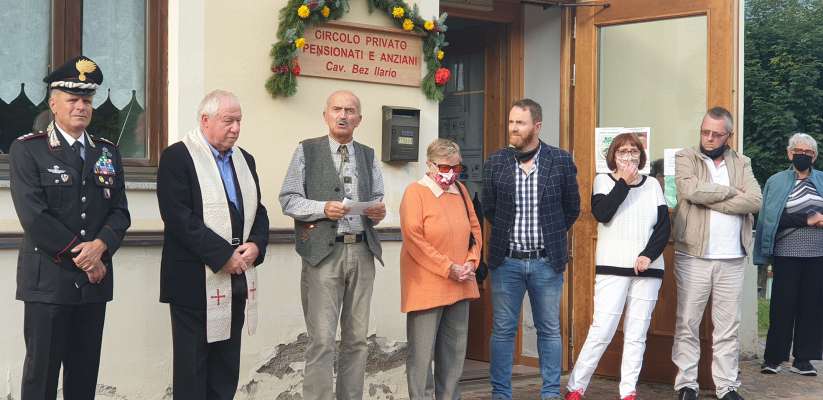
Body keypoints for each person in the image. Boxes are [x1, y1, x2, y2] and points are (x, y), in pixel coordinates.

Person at [9, 55, 131, 400]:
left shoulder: (106, 152)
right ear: (53, 103)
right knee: (41, 376)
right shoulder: (28, 150)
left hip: (92, 285)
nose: (81, 107)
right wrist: (85, 257)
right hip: (48, 282)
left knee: (83, 376)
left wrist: (100, 247)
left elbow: (120, 213)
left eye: (87, 100)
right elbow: (34, 216)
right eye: (72, 100)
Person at [157, 90, 270, 399]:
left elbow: (258, 210)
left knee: (225, 369)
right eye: (228, 121)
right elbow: (178, 217)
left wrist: (257, 246)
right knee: (192, 369)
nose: (235, 128)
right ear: (205, 120)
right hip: (193, 282)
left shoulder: (245, 159)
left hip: (236, 279)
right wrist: (223, 256)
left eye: (239, 121)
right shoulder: (177, 157)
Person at [279, 90, 386, 400]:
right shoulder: (306, 150)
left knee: (357, 340)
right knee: (322, 340)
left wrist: (378, 211)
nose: (343, 115)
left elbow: (377, 197)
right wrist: (322, 208)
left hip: (363, 251)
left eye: (350, 110)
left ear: (359, 119)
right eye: (337, 109)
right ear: (325, 115)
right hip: (323, 255)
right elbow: (288, 199)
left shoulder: (367, 154)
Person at [482, 98, 580, 400]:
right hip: (506, 261)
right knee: (503, 331)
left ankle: (550, 393)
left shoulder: (560, 160)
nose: (513, 128)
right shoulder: (495, 162)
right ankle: (501, 394)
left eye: (520, 123)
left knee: (549, 330)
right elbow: (489, 208)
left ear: (536, 126)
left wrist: (549, 235)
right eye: (511, 122)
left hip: (545, 262)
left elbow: (571, 208)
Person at [564, 133, 670, 400]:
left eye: (633, 151)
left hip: (648, 269)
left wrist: (648, 254)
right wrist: (623, 181)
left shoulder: (653, 186)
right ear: (613, 155)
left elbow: (663, 226)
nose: (628, 156)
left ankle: (628, 391)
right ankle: (576, 386)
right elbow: (603, 213)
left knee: (637, 333)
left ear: (641, 155)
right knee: (603, 329)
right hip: (612, 267)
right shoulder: (603, 180)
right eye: (622, 151)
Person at [671, 107, 761, 400]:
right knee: (688, 322)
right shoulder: (686, 157)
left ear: (728, 136)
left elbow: (755, 200)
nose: (708, 138)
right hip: (694, 256)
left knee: (727, 327)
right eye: (705, 132)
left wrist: (711, 197)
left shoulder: (742, 162)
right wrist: (731, 192)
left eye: (716, 134)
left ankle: (726, 387)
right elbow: (689, 191)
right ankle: (686, 384)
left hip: (732, 257)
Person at [400, 138, 482, 400]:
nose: (451, 173)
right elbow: (414, 239)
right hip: (427, 286)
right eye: (445, 167)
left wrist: (471, 261)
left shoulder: (460, 190)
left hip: (461, 283)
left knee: (454, 354)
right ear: (430, 165)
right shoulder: (415, 192)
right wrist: (448, 268)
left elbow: (475, 229)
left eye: (456, 168)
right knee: (422, 357)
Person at [754, 133, 823, 376]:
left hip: (817, 255)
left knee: (812, 307)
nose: (802, 155)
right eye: (798, 151)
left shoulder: (822, 180)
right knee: (782, 306)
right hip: (786, 253)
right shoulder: (777, 181)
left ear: (814, 156)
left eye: (807, 152)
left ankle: (803, 360)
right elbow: (770, 219)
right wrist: (808, 218)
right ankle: (773, 358)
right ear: (789, 153)